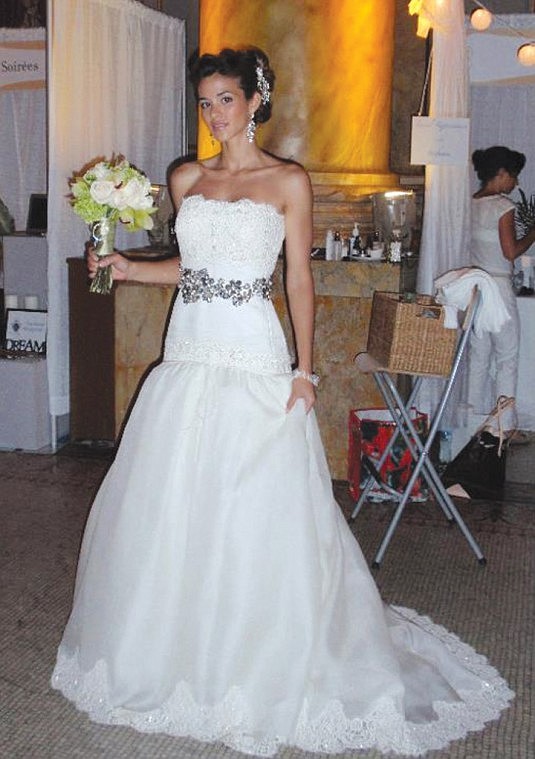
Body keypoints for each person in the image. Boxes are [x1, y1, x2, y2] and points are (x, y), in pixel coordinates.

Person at [51, 48, 513, 756]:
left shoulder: (287, 182)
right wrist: (125, 268)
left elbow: (296, 277)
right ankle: (176, 647)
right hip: (192, 350)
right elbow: (190, 268)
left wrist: (305, 369)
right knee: (178, 498)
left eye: (225, 100)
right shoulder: (186, 177)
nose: (213, 115)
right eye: (205, 102)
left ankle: (262, 648)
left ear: (254, 101)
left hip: (257, 354)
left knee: (256, 503)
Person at [468, 146, 535, 437]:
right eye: (514, 175)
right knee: (507, 357)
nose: (516, 183)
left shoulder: (472, 202)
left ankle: (473, 420)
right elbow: (511, 252)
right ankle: (504, 427)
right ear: (502, 173)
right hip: (498, 287)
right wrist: (533, 233)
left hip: (476, 288)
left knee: (478, 357)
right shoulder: (502, 206)